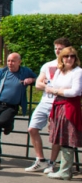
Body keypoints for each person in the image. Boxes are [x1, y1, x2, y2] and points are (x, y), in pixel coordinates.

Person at [0, 53, 37, 170]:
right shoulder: (2, 72)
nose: (10, 63)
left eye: (13, 61)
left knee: (2, 122)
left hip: (12, 106)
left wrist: (32, 79)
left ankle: (9, 125)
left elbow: (40, 79)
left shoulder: (25, 72)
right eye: (8, 61)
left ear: (19, 62)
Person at [25, 38, 72, 173]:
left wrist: (51, 86)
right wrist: (48, 86)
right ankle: (40, 160)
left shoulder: (71, 66)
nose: (57, 51)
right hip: (45, 101)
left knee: (55, 134)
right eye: (56, 48)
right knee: (32, 129)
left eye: (61, 48)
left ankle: (52, 162)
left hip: (59, 103)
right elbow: (38, 84)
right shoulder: (48, 65)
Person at [44, 47, 82, 180]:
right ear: (62, 58)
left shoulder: (78, 72)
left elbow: (75, 92)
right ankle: (64, 169)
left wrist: (57, 91)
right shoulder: (60, 71)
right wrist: (60, 90)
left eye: (72, 56)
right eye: (66, 56)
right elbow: (51, 86)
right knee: (61, 137)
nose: (69, 59)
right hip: (59, 106)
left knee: (68, 138)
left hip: (69, 107)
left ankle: (65, 171)